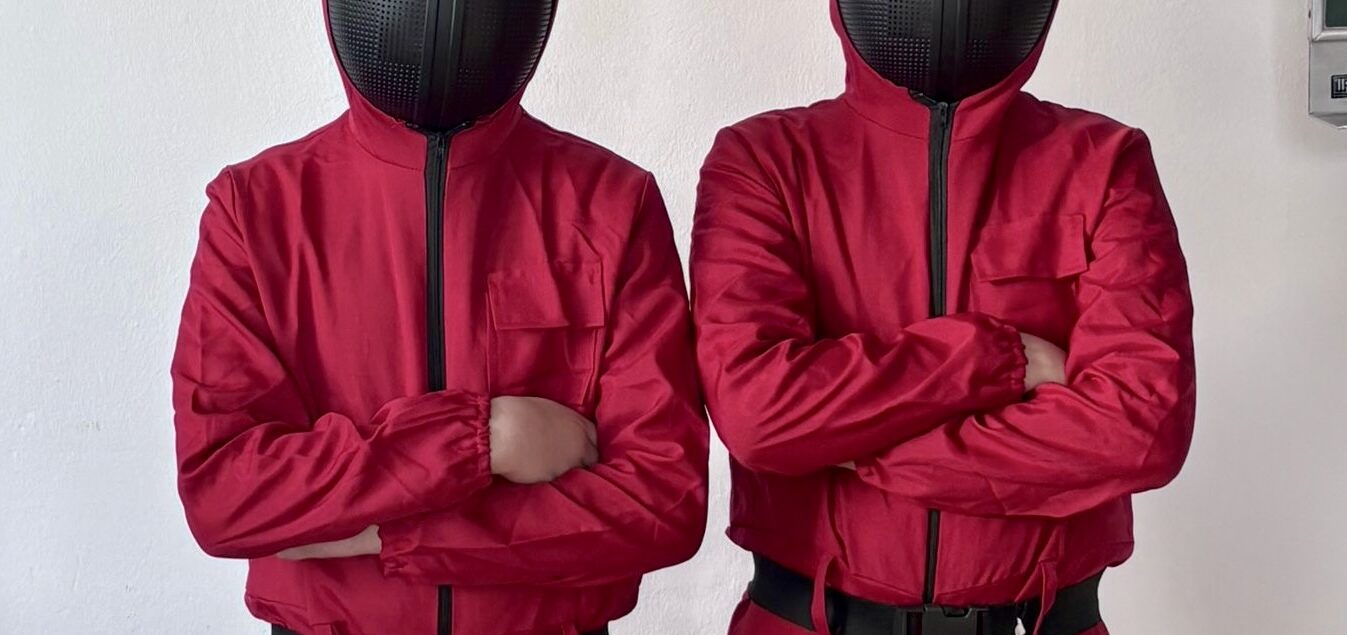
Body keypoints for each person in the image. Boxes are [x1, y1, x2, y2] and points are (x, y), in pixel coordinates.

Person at [170, 1, 708, 634]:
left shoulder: (612, 203)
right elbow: (226, 494)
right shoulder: (256, 209)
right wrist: (489, 439)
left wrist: (385, 534)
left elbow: (662, 501)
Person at [691, 1, 1196, 634]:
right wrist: (998, 358)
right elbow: (760, 413)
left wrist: (853, 447)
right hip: (807, 620)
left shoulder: (1105, 162)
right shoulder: (763, 160)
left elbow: (1141, 429)